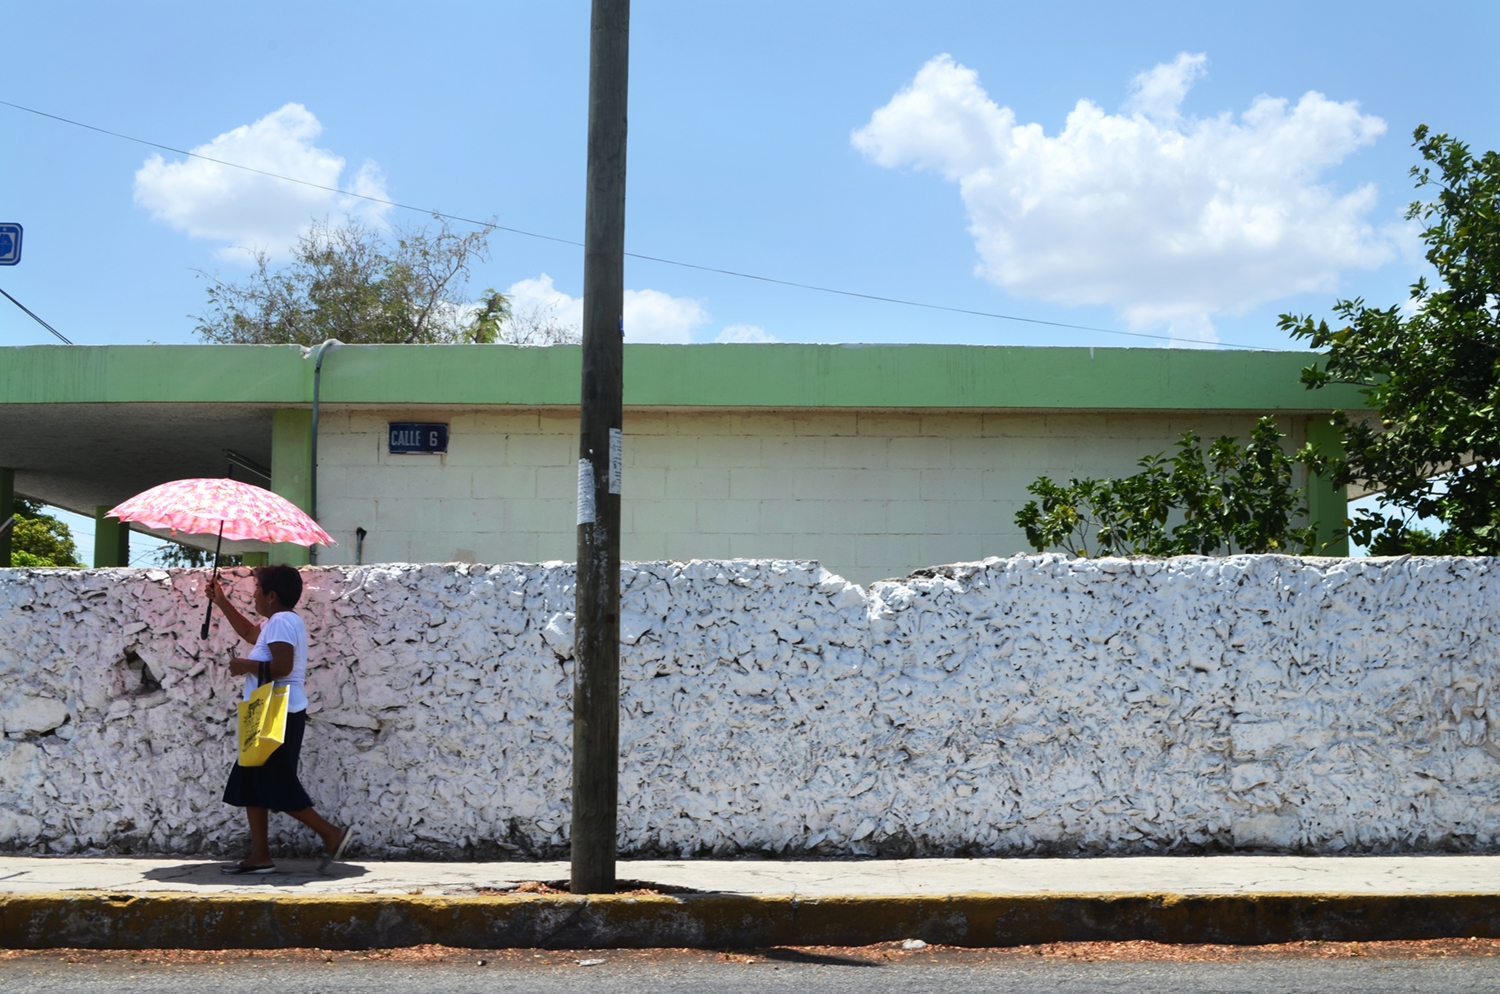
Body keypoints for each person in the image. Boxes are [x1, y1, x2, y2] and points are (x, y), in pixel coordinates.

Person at [208, 565, 354, 874]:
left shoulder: (282, 622)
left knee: (275, 781)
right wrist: (221, 602)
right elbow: (249, 632)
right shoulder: (278, 622)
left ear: (272, 596)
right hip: (268, 712)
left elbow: (283, 667)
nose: (254, 595)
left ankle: (332, 834)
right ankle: (259, 855)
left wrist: (244, 665)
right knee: (251, 781)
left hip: (278, 713)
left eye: (257, 590)